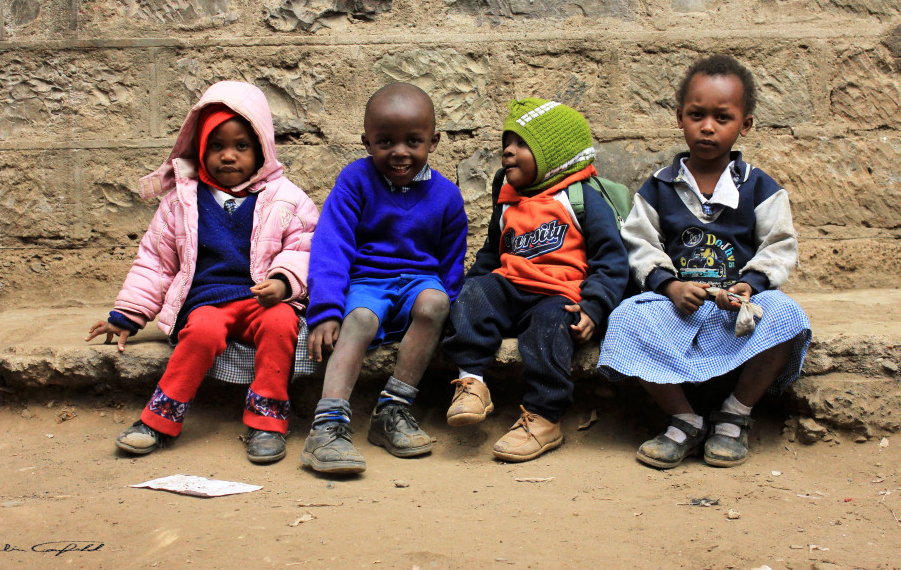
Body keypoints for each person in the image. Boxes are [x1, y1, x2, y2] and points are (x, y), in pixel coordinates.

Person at [86, 81, 318, 464]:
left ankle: (267, 420)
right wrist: (127, 315)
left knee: (281, 325)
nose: (228, 156)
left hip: (264, 300)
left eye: (241, 146)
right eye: (217, 146)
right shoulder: (182, 200)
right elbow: (156, 261)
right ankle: (159, 419)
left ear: (262, 149)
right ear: (200, 149)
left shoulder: (287, 198)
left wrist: (282, 282)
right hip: (207, 301)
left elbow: (305, 246)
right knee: (202, 331)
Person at [597, 55, 812, 469]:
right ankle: (684, 419)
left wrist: (751, 284)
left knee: (787, 316)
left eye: (722, 117)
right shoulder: (658, 188)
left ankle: (735, 414)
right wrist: (670, 285)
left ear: (744, 125)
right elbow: (639, 244)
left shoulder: (759, 187)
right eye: (697, 115)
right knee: (625, 319)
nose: (708, 126)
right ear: (680, 118)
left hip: (737, 308)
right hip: (680, 306)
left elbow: (779, 245)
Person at [441, 98, 628, 462]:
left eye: (521, 145)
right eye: (505, 145)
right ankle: (472, 383)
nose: (508, 153)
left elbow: (612, 261)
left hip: (559, 294)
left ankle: (544, 417)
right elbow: (492, 254)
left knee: (547, 328)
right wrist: (471, 293)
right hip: (510, 285)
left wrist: (594, 307)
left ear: (554, 156)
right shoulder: (507, 198)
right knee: (472, 293)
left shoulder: (582, 198)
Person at [300, 82, 467, 475]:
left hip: (418, 284)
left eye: (413, 141)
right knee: (357, 320)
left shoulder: (446, 196)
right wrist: (324, 310)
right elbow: (332, 243)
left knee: (436, 302)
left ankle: (392, 411)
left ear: (434, 141)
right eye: (385, 141)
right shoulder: (356, 181)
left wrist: (450, 316)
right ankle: (327, 427)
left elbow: (450, 262)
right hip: (368, 282)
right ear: (366, 141)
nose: (399, 152)